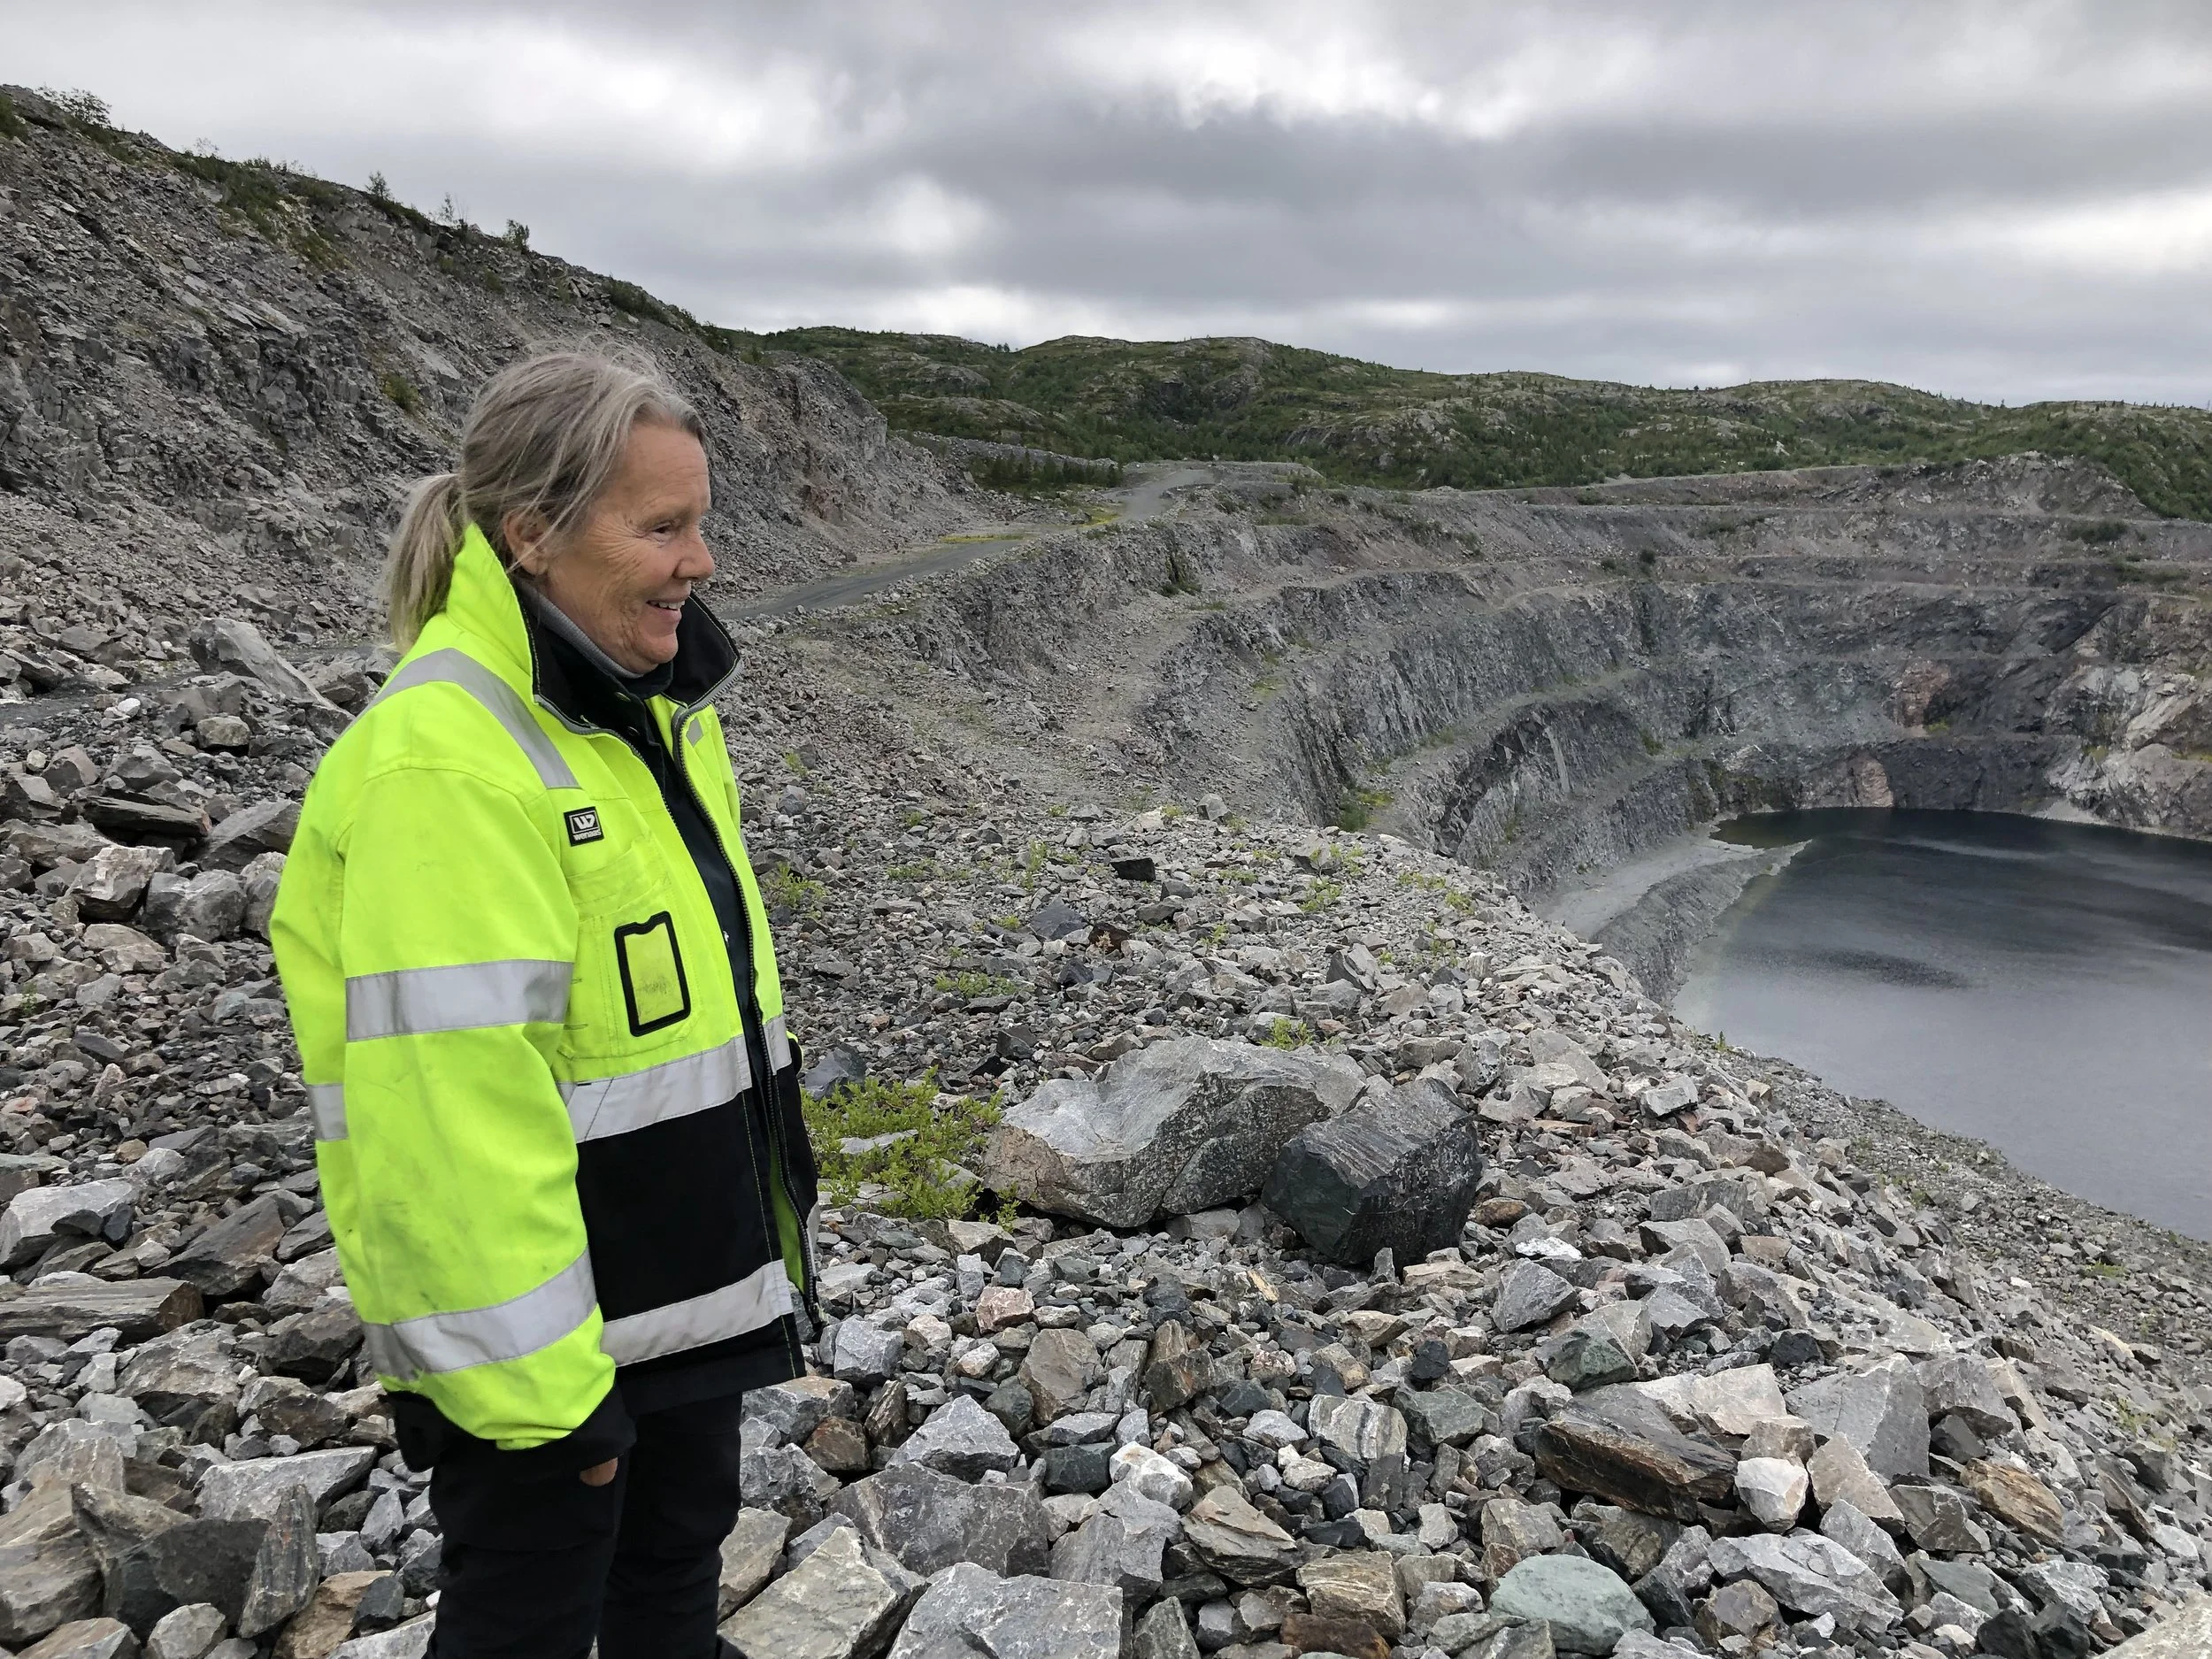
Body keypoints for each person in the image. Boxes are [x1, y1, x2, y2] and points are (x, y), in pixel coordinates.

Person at [271, 349, 818, 1659]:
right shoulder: (445, 763)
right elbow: (447, 1114)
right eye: (662, 525)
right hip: (547, 1359)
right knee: (527, 1619)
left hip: (673, 1299)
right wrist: (546, 1402)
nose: (702, 562)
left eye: (703, 521)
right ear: (533, 538)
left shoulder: (646, 708)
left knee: (669, 1582)